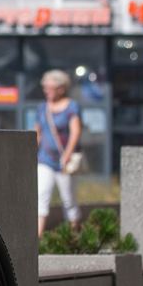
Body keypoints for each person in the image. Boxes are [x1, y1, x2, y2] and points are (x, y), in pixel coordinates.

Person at [35, 69, 82, 238]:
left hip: (64, 161)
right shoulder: (42, 108)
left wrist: (67, 155)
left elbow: (75, 132)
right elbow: (38, 133)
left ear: (61, 89)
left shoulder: (71, 107)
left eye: (50, 87)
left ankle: (73, 236)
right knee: (41, 196)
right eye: (45, 87)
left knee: (68, 199)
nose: (46, 90)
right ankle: (37, 238)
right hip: (45, 159)